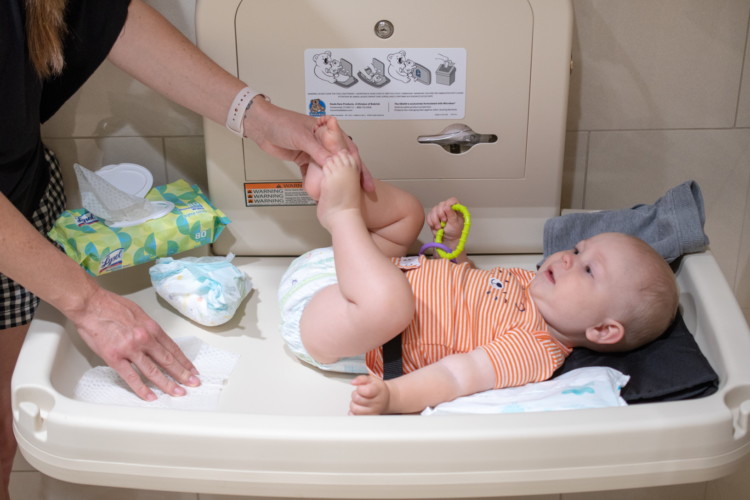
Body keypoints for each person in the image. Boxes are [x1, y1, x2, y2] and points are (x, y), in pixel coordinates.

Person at [0, 0, 368, 495]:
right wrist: (88, 303)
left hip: (19, 204)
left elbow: (109, 17)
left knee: (6, 433)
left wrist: (258, 118)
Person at [279, 117, 679, 416]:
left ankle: (342, 210)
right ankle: (335, 186)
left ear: (603, 330)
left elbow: (456, 376)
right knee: (408, 214)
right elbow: (467, 285)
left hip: (338, 322)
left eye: (589, 271)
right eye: (578, 249)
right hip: (354, 270)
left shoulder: (535, 349)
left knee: (390, 305)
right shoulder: (528, 281)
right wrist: (451, 247)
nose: (569, 258)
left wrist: (394, 398)